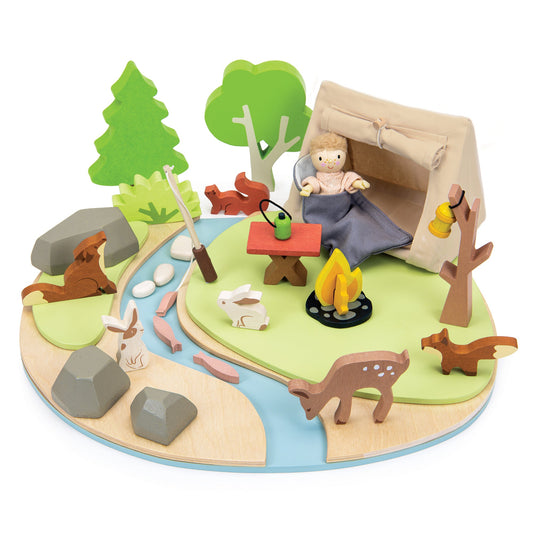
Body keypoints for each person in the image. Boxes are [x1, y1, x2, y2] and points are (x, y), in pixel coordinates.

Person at [300, 132, 370, 196]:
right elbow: (315, 183)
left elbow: (348, 180)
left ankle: (359, 183)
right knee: (312, 180)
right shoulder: (318, 178)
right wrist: (309, 188)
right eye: (320, 158)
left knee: (350, 175)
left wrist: (356, 183)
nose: (330, 162)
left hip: (341, 200)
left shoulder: (343, 177)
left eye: (338, 157)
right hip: (324, 200)